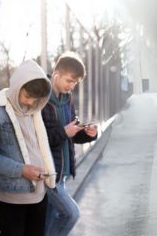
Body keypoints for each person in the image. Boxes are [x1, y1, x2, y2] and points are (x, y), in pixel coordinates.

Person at [0, 60, 56, 236]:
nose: (30, 102)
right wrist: (22, 170)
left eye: (35, 99)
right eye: (27, 96)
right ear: (17, 86)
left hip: (39, 193)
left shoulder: (35, 111)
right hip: (11, 198)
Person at [41, 53, 98, 236]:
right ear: (56, 73)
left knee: (49, 222)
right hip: (48, 173)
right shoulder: (41, 98)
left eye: (75, 83)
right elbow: (37, 140)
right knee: (71, 214)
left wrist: (88, 134)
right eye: (70, 80)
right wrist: (65, 132)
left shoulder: (67, 98)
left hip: (62, 174)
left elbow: (71, 132)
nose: (72, 85)